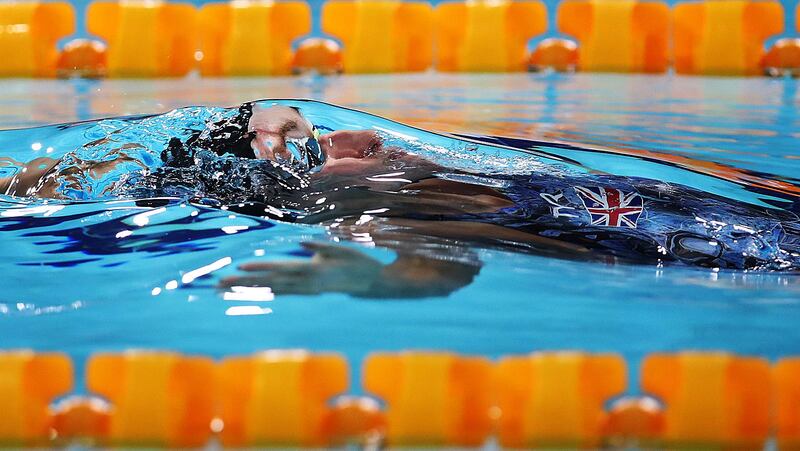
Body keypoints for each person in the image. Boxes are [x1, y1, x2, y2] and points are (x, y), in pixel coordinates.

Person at [2, 102, 799, 299]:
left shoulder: (459, 167)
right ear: (294, 193)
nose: (355, 140)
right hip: (746, 257)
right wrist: (357, 278)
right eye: (323, 152)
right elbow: (441, 276)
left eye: (331, 130)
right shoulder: (383, 210)